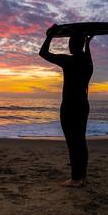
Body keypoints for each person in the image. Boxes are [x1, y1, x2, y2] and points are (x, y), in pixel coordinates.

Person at [39, 24, 93, 187]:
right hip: (83, 106)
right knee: (81, 141)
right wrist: (88, 44)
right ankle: (82, 177)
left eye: (70, 42)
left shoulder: (68, 61)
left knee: (72, 142)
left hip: (70, 106)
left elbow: (43, 53)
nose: (69, 45)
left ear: (72, 45)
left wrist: (50, 35)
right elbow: (87, 57)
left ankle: (75, 179)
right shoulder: (87, 64)